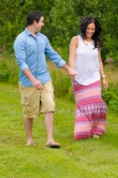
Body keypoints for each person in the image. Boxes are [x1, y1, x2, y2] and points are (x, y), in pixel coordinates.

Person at [13, 10, 78, 148]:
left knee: (50, 106)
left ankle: (50, 139)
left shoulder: (43, 39)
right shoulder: (21, 39)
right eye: (41, 21)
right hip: (28, 82)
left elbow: (53, 55)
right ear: (34, 22)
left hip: (44, 79)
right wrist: (32, 79)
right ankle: (29, 139)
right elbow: (21, 62)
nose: (43, 24)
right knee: (29, 112)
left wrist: (68, 69)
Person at [68, 16, 109, 140]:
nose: (90, 31)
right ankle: (83, 131)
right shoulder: (76, 40)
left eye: (93, 29)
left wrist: (104, 77)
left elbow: (99, 61)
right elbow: (71, 57)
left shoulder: (96, 43)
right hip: (79, 78)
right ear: (84, 27)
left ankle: (96, 130)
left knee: (96, 102)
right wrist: (71, 70)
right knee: (83, 105)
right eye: (88, 28)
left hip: (94, 77)